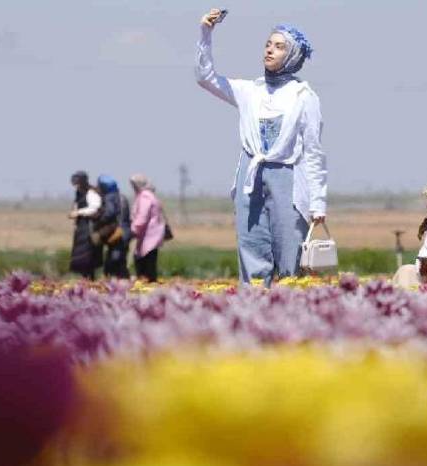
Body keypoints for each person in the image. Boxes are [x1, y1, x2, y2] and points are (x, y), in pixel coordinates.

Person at [196, 8, 328, 286]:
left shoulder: (304, 97)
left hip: (288, 177)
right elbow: (205, 77)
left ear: (293, 56)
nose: (269, 50)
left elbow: (314, 153)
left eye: (279, 47)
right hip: (251, 174)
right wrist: (205, 33)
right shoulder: (250, 91)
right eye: (268, 44)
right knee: (251, 244)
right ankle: (254, 307)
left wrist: (317, 203)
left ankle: (291, 307)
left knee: (290, 248)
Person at [129, 174, 166, 283]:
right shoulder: (149, 195)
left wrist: (133, 230)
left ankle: (147, 288)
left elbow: (142, 217)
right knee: (148, 262)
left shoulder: (145, 196)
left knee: (145, 265)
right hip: (151, 235)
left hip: (149, 236)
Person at [96, 174, 132, 279]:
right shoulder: (121, 196)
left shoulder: (110, 197)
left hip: (117, 233)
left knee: (114, 262)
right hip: (125, 232)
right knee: (120, 261)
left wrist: (99, 221)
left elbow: (109, 213)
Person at [67, 170, 102, 279]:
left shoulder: (91, 193)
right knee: (81, 260)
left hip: (89, 228)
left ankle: (90, 281)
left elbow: (94, 208)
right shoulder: (79, 193)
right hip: (81, 228)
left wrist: (78, 212)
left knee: (88, 258)